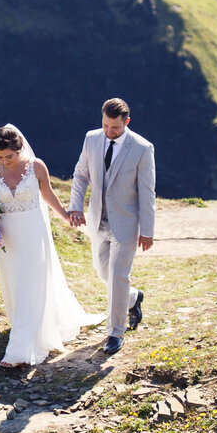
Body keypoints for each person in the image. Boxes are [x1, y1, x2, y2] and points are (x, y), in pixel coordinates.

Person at [0, 124, 101, 370]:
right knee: (15, 281)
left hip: (34, 232)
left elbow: (47, 195)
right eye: (0, 157)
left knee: (32, 282)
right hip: (8, 235)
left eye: (10, 157)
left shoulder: (36, 166)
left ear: (19, 149)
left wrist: (67, 216)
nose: (5, 161)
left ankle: (19, 348)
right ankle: (26, 325)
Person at [67, 98, 155, 355]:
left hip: (126, 224)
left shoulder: (142, 148)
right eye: (105, 125)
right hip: (98, 220)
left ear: (126, 122)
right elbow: (81, 175)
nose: (109, 131)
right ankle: (132, 298)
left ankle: (115, 334)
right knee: (103, 273)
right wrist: (75, 207)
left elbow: (147, 192)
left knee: (117, 277)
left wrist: (148, 231)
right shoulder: (91, 139)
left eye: (115, 127)